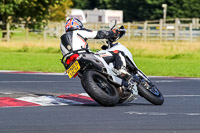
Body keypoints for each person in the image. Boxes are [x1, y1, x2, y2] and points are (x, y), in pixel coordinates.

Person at [60, 18, 132, 82]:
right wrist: (112, 33)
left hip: (71, 65)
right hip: (84, 55)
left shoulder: (61, 43)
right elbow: (98, 34)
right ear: (78, 25)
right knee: (118, 52)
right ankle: (122, 70)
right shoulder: (79, 32)